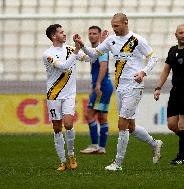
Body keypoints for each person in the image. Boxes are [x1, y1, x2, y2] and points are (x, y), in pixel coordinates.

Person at [74, 13, 163, 171]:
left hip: (134, 87)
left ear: (125, 23)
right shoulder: (111, 40)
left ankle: (118, 163)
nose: (114, 29)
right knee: (131, 127)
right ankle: (155, 143)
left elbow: (154, 57)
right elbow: (94, 54)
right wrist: (82, 45)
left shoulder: (137, 40)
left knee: (122, 124)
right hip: (120, 87)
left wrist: (143, 72)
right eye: (112, 25)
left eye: (117, 25)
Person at [154, 24, 184, 165]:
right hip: (175, 91)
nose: (183, 35)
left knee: (183, 124)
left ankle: (180, 157)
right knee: (171, 125)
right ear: (175, 35)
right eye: (181, 33)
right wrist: (158, 87)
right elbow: (166, 70)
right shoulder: (172, 51)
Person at [43, 24, 83, 171]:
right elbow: (64, 66)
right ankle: (62, 161)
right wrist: (77, 50)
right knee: (56, 127)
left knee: (68, 124)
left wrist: (94, 45)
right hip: (54, 94)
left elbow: (89, 58)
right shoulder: (47, 54)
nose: (64, 34)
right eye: (61, 32)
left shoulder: (71, 49)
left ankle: (71, 154)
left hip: (69, 94)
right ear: (54, 36)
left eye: (64, 31)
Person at [80, 26, 113, 154]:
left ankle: (94, 145)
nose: (91, 35)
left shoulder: (101, 50)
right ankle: (102, 148)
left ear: (99, 36)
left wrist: (98, 85)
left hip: (103, 86)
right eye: (90, 33)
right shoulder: (94, 50)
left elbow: (103, 66)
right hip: (104, 86)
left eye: (94, 33)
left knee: (89, 114)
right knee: (102, 117)